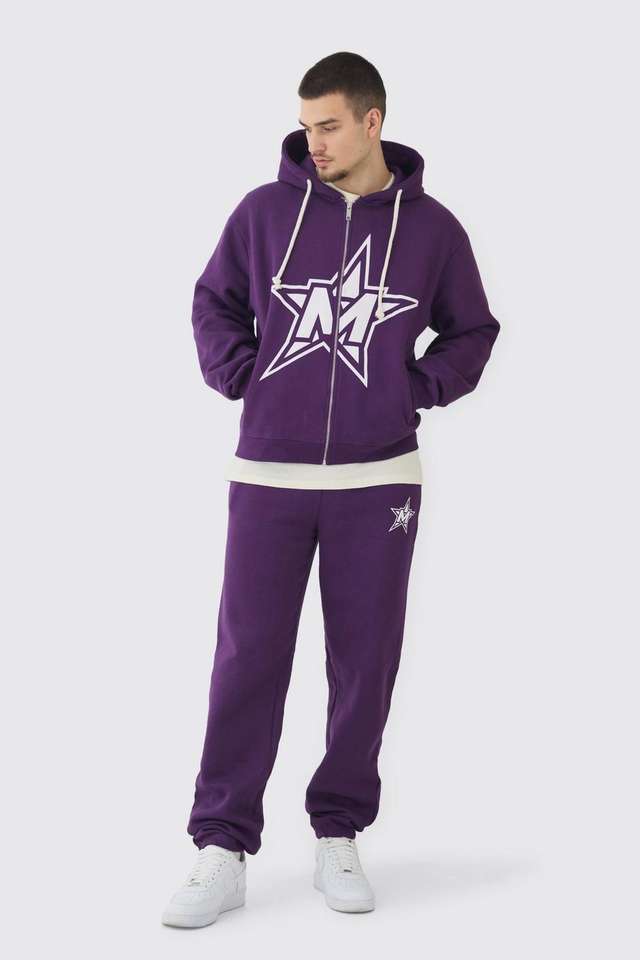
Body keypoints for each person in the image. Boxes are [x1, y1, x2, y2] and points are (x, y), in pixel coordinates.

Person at [162, 50, 500, 928]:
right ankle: (222, 845)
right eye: (306, 126)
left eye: (330, 125)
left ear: (372, 121)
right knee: (248, 657)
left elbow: (472, 330)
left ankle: (339, 829)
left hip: (378, 478)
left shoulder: (433, 232)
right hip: (268, 473)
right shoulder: (263, 212)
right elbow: (213, 302)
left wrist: (411, 389)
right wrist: (244, 377)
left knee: (365, 660)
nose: (313, 141)